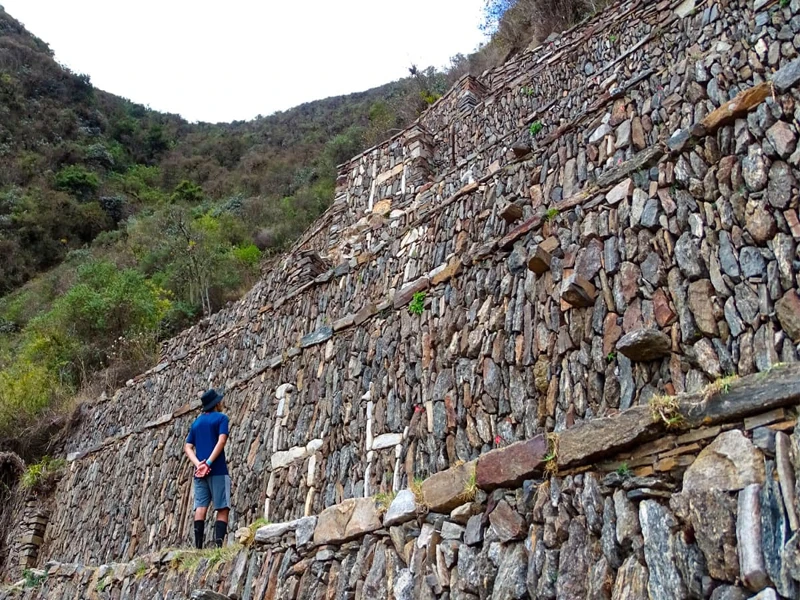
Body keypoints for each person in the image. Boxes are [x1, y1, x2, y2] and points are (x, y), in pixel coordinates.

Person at [184, 388, 231, 549]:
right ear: (217, 403)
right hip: (217, 469)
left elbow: (188, 447)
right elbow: (222, 441)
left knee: (201, 507)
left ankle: (198, 547)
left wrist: (199, 465)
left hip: (199, 473)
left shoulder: (196, 423)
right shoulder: (221, 419)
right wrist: (209, 463)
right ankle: (218, 547)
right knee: (222, 507)